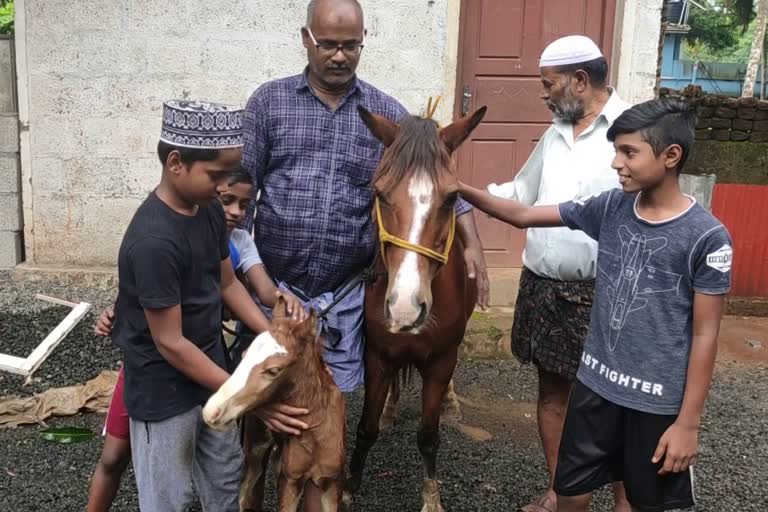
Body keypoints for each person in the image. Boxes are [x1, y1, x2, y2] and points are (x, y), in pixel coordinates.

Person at [458, 98, 732, 512]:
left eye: (629, 152)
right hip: (594, 387)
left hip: (655, 403)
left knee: (638, 500)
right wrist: (458, 189)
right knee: (571, 491)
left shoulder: (707, 238)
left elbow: (705, 333)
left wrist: (688, 423)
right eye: (615, 151)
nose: (616, 163)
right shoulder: (610, 207)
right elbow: (523, 215)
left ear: (671, 156)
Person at [240, 0, 490, 394]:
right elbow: (242, 194)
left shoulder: (386, 113)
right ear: (306, 39)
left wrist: (472, 243)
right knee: (263, 403)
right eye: (328, 45)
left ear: (363, 42)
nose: (340, 56)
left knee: (328, 408)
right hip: (274, 287)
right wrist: (236, 276)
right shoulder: (269, 103)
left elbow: (432, 182)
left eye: (350, 46)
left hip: (344, 294)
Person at [110, 99, 296, 512]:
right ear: (176, 163)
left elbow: (228, 282)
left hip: (210, 368)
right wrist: (249, 395)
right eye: (215, 174)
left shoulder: (209, 211)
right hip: (164, 391)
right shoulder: (154, 242)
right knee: (169, 499)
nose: (223, 186)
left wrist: (272, 338)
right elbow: (171, 343)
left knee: (224, 482)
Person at [485, 35, 632, 512]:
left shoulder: (631, 131)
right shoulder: (554, 134)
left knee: (611, 404)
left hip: (603, 293)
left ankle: (623, 501)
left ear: (580, 80)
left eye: (548, 85)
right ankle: (562, 491)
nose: (543, 94)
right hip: (544, 289)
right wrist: (459, 195)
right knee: (552, 393)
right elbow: (521, 192)